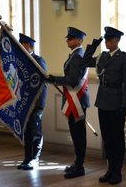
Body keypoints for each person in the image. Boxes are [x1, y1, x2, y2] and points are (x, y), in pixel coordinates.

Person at [83, 26, 126, 184]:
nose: (106, 42)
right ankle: (110, 169)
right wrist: (93, 46)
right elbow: (85, 61)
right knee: (107, 139)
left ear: (117, 41)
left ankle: (117, 172)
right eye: (105, 40)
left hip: (117, 103)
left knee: (117, 139)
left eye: (109, 40)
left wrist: (124, 106)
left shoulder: (125, 58)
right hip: (103, 101)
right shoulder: (102, 57)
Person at [46, 27, 90, 179]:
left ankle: (80, 166)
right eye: (68, 38)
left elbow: (73, 80)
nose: (67, 40)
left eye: (71, 38)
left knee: (78, 135)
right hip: (74, 99)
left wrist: (55, 79)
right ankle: (77, 163)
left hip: (77, 100)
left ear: (79, 40)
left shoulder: (78, 56)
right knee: (76, 134)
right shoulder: (75, 54)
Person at [17, 33, 48, 170]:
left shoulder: (38, 61)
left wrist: (39, 103)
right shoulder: (21, 61)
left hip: (36, 103)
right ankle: (27, 158)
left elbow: (43, 83)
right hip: (24, 102)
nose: (20, 46)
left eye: (22, 44)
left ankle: (35, 159)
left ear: (29, 46)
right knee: (26, 132)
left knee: (35, 130)